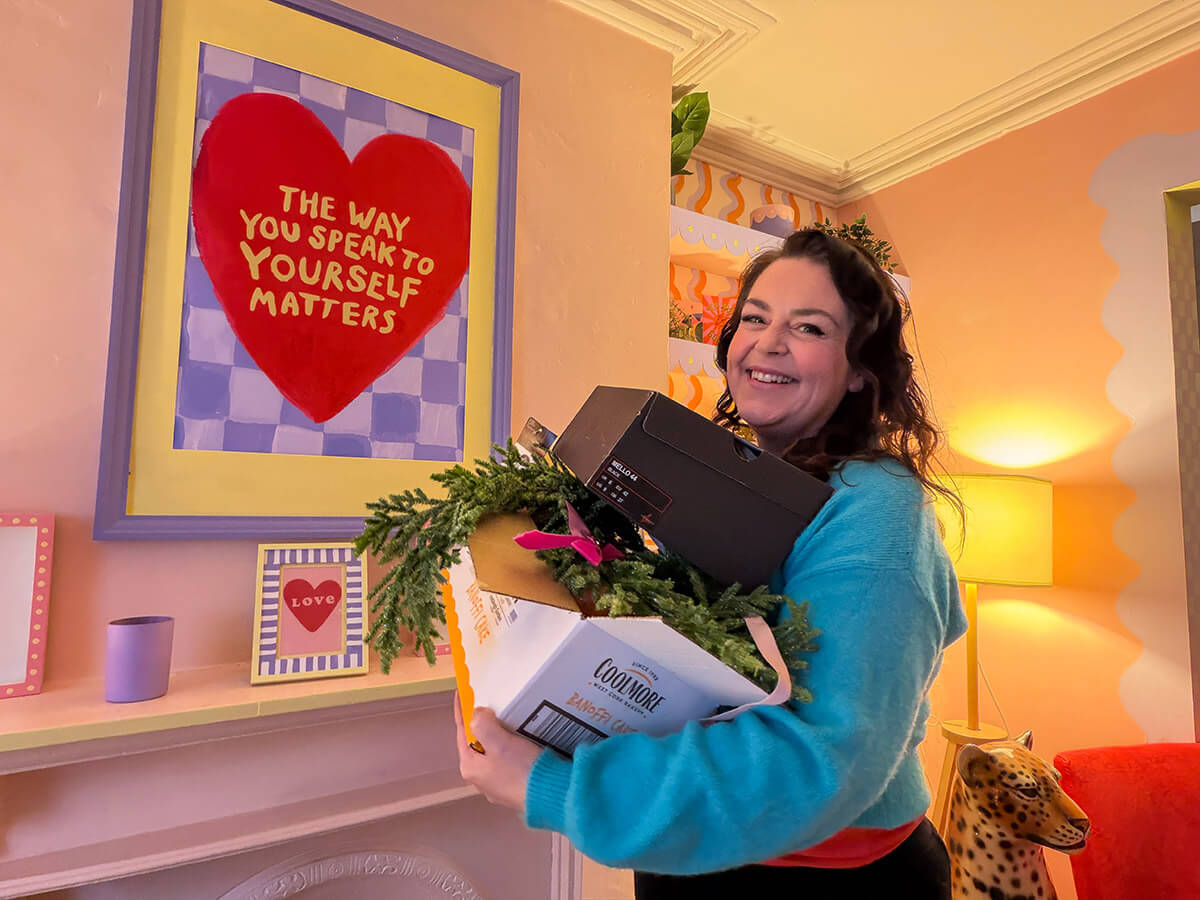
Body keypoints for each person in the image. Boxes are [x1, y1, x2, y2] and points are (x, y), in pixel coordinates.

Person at [454, 227, 967, 898]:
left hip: (829, 875)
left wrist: (561, 787)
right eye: (755, 318)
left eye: (808, 327)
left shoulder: (876, 511)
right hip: (705, 857)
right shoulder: (738, 481)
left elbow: (827, 755)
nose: (769, 342)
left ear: (861, 368)